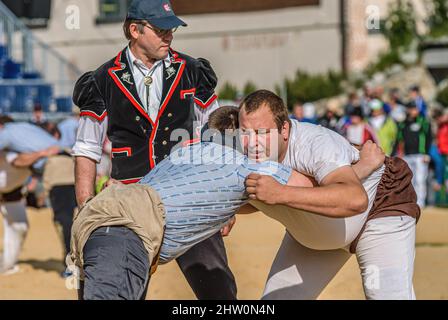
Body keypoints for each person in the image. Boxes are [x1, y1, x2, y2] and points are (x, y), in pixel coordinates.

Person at [67, 106, 381, 300]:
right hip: (126, 236)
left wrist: (232, 208)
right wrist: (361, 168)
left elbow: (211, 197)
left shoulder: (185, 153)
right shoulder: (243, 164)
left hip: (96, 228)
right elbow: (310, 189)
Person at [72, 0, 236, 300]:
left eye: (171, 28)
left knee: (219, 294)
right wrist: (85, 206)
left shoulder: (193, 71)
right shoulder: (101, 80)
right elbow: (87, 147)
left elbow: (216, 137)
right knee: (121, 291)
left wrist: (222, 201)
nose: (169, 35)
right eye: (161, 28)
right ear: (134, 30)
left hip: (190, 196)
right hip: (129, 203)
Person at [238, 90, 420, 300]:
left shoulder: (314, 143)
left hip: (379, 206)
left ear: (284, 129)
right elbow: (261, 196)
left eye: (261, 132)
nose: (251, 142)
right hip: (317, 228)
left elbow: (355, 199)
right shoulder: (240, 151)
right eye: (244, 132)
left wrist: (280, 193)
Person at [0, 116, 76, 266]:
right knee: (72, 215)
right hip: (69, 162)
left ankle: (71, 265)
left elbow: (19, 160)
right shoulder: (25, 127)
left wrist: (40, 155)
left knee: (64, 219)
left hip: (57, 166)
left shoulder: (7, 133)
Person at [0, 146, 60, 275]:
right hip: (9, 194)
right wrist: (42, 152)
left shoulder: (29, 149)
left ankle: (6, 265)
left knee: (20, 227)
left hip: (12, 197)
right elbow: (18, 161)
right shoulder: (11, 147)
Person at [395, 102, 432, 208]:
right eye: (410, 109)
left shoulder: (424, 122)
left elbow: (429, 138)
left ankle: (420, 202)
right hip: (407, 155)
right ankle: (410, 201)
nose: (412, 111)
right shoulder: (403, 124)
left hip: (420, 155)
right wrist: (399, 153)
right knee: (409, 179)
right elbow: (399, 139)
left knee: (420, 179)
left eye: (414, 108)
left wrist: (427, 154)